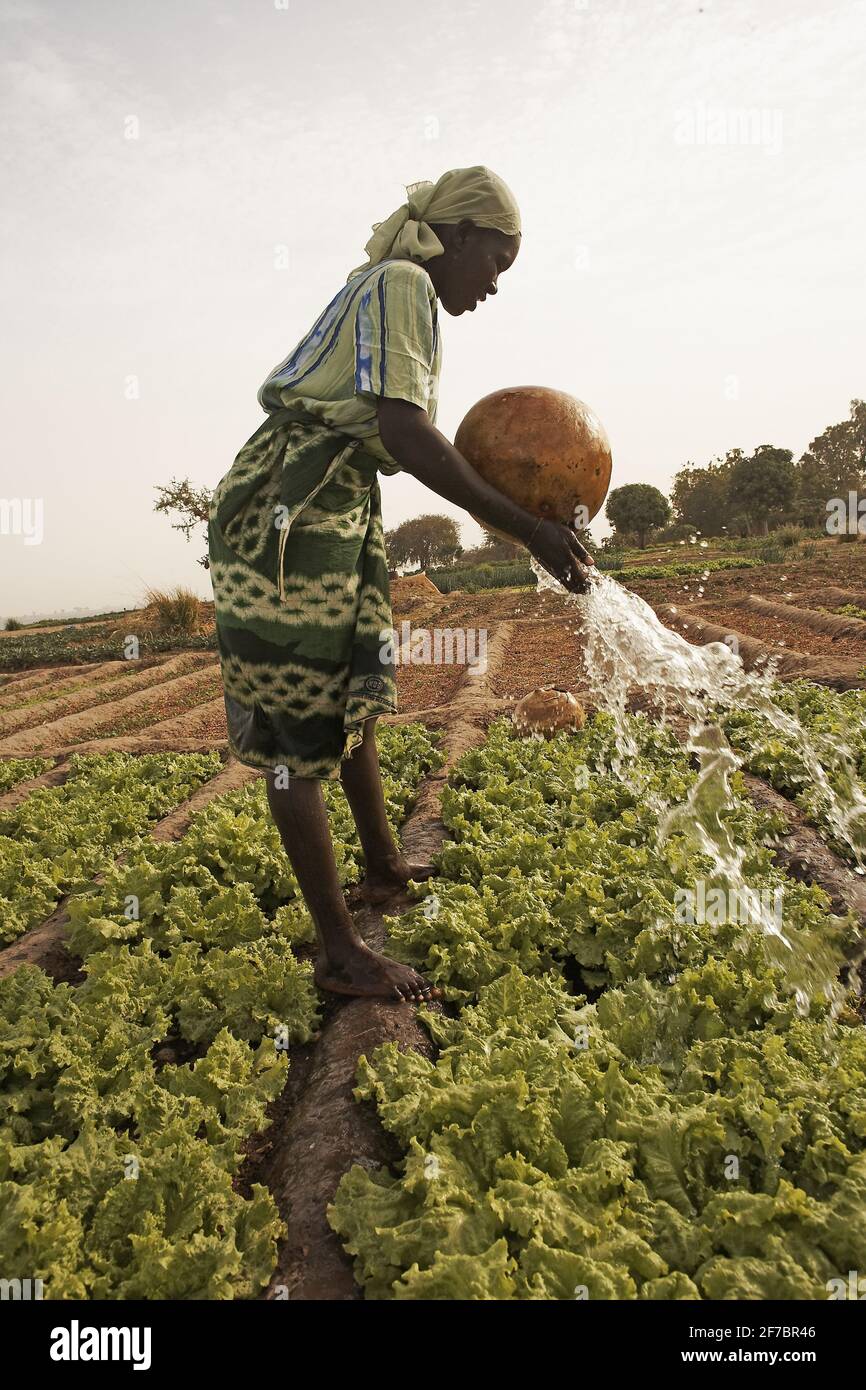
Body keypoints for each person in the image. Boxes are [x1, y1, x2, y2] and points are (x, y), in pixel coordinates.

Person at [208, 165, 594, 1004]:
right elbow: (408, 434)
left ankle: (382, 867)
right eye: (494, 261)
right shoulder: (402, 282)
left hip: (336, 497)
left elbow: (400, 437)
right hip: (291, 509)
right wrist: (526, 527)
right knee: (296, 732)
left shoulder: (402, 291)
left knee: (351, 693)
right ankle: (340, 950)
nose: (494, 284)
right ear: (454, 238)